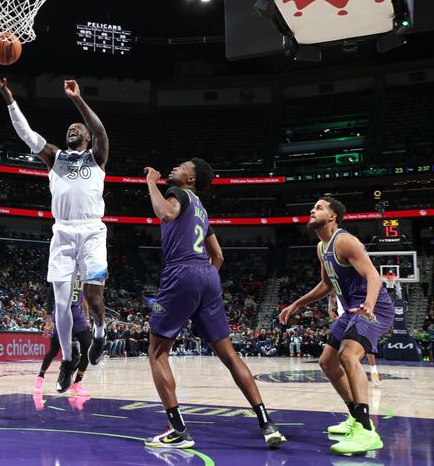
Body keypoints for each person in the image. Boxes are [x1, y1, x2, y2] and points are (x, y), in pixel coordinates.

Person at [143, 160, 286, 449]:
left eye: (181, 166)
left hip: (181, 271)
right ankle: (267, 424)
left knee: (157, 352)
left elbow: (165, 213)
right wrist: (202, 285)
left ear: (191, 178)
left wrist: (151, 182)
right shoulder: (202, 209)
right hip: (208, 276)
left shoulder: (178, 194)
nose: (175, 168)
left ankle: (178, 430)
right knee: (230, 355)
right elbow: (218, 256)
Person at [0, 73, 109, 394]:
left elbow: (99, 130)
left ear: (85, 137)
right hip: (63, 233)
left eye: (78, 129)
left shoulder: (97, 157)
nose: (74, 129)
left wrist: (77, 100)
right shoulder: (55, 156)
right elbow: (27, 135)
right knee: (60, 304)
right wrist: (9, 99)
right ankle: (69, 359)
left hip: (92, 231)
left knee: (94, 298)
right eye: (70, 128)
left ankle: (100, 332)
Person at [281, 196, 393, 455]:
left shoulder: (344, 240)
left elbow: (373, 276)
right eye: (313, 207)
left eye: (319, 207)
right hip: (352, 309)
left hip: (374, 307)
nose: (312, 210)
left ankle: (366, 431)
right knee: (327, 362)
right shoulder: (321, 248)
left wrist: (369, 304)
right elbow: (326, 285)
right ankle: (355, 417)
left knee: (347, 355)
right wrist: (296, 304)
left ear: (332, 217)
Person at [34, 281, 92, 396]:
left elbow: (84, 298)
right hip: (61, 312)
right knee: (54, 350)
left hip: (77, 314)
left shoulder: (83, 273)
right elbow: (50, 294)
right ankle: (40, 377)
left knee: (87, 350)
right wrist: (49, 318)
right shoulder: (62, 271)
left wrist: (87, 318)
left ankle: (77, 383)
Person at [329, 290, 380, 386]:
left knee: (368, 344)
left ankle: (374, 371)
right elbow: (332, 294)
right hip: (343, 316)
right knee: (346, 348)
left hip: (359, 313)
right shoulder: (335, 279)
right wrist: (330, 308)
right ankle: (351, 374)